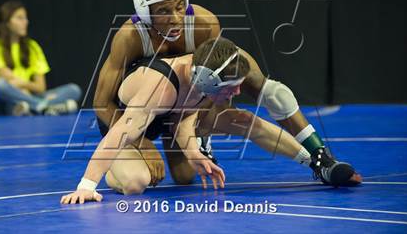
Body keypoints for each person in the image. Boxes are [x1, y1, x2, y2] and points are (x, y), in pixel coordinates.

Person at [93, 0, 361, 189]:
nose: (175, 19)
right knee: (142, 180)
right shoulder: (130, 38)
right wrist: (140, 142)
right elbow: (102, 103)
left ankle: (321, 158)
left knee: (266, 90)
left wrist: (198, 126)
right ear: (144, 12)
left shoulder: (203, 24)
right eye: (163, 11)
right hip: (134, 115)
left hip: (178, 107)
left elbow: (218, 86)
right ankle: (120, 163)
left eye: (179, 7)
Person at [62, 37, 360, 204]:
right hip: (126, 122)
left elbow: (185, 116)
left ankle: (316, 164)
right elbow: (118, 136)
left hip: (170, 116)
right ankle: (116, 171)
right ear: (209, 82)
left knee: (243, 120)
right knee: (138, 182)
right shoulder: (159, 88)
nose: (239, 91)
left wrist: (191, 150)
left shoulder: (201, 75)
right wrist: (87, 185)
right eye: (232, 87)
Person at [0, 0, 82, 116]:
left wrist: (24, 88)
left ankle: (32, 107)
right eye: (20, 18)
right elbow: (7, 81)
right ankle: (44, 106)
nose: (26, 22)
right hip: (2, 102)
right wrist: (24, 89)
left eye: (26, 18)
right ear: (7, 22)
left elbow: (40, 87)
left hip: (28, 97)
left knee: (73, 90)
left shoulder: (32, 47)